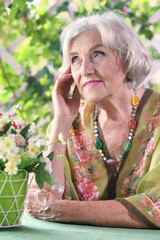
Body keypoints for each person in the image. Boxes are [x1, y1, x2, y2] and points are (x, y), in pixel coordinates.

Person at [26, 11, 160, 228]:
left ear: (127, 57)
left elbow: (157, 208)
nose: (85, 70)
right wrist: (61, 119)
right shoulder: (69, 124)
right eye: (75, 59)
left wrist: (61, 209)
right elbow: (38, 199)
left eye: (97, 54)